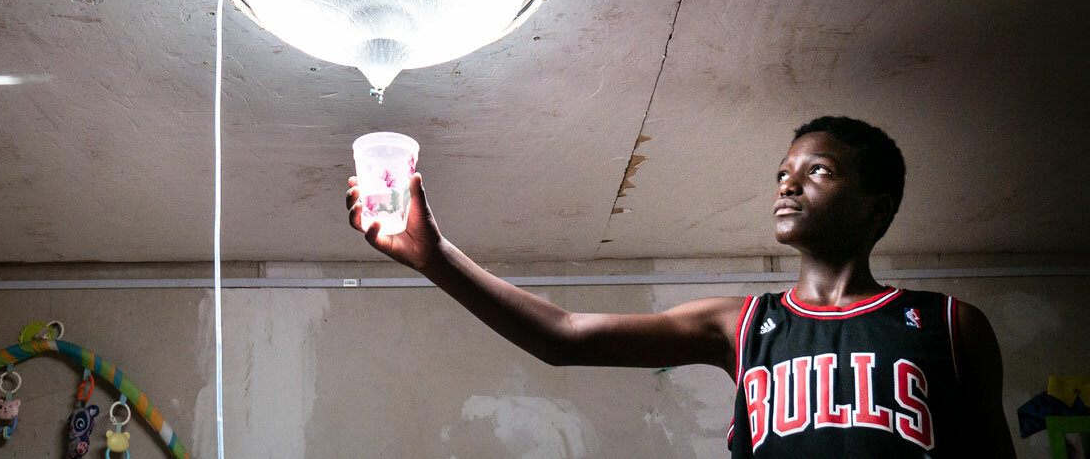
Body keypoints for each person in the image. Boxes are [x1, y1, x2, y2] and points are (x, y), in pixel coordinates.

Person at [345, 116, 1015, 457]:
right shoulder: (743, 325)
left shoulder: (950, 325)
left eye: (819, 171)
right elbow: (563, 335)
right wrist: (434, 256)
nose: (788, 183)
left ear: (877, 206)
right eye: (784, 171)